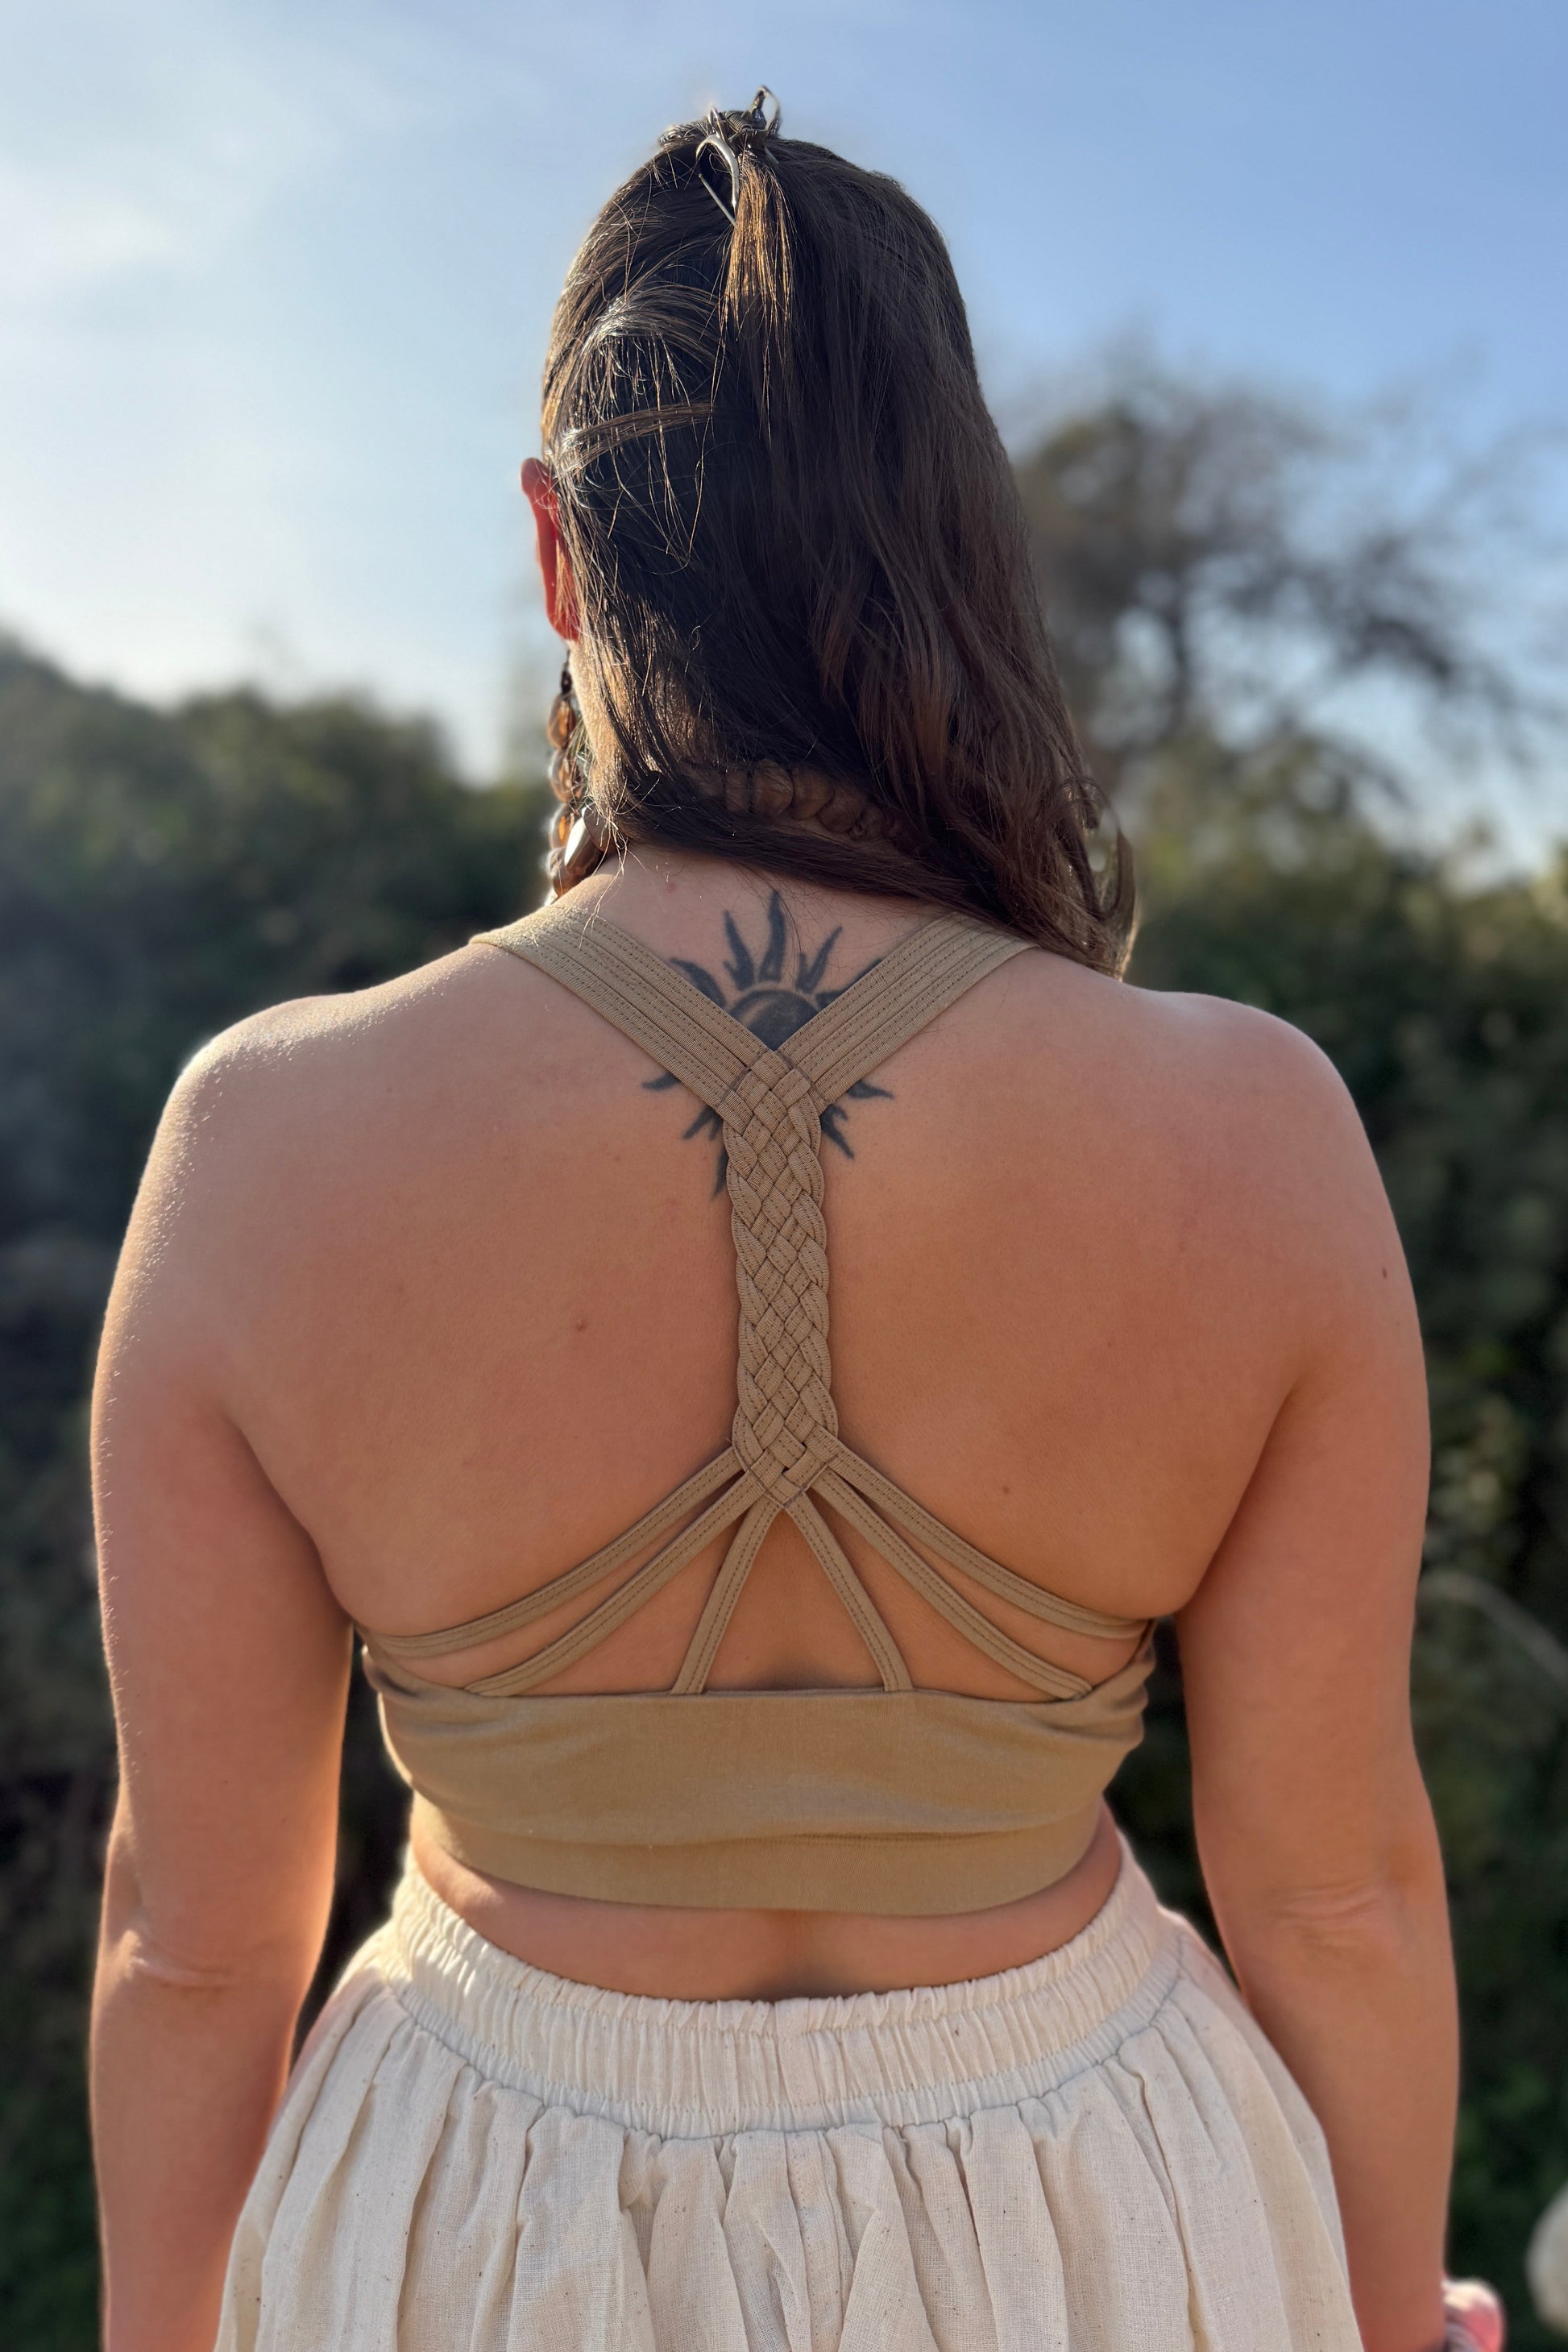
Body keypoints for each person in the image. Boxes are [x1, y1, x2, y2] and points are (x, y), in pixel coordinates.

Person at [91, 93, 1497, 2352]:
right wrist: (1364, 2311)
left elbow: (196, 1943)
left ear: (559, 557)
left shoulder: (265, 1137)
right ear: (961, 553)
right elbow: (1332, 1888)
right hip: (1099, 2212)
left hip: (477, 2220)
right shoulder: (1254, 1129)